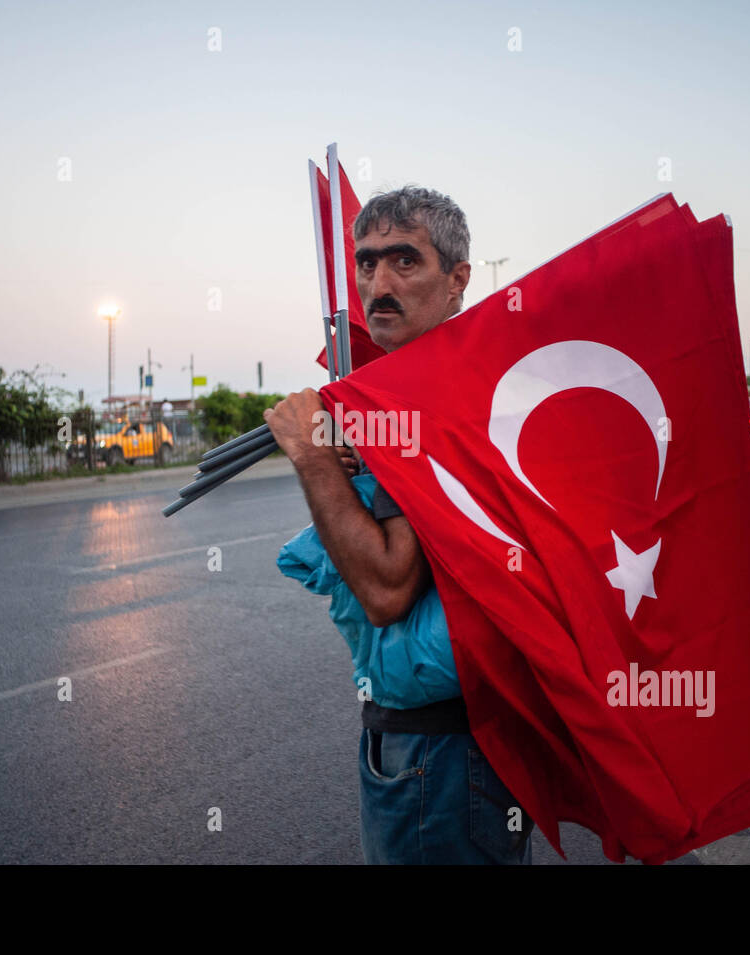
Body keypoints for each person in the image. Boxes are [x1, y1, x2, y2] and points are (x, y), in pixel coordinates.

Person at [264, 186, 534, 864]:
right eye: (366, 262)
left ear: (457, 280)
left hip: (445, 755)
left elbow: (386, 589)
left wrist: (312, 457)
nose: (377, 284)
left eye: (404, 261)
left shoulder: (441, 402)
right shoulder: (420, 398)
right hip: (437, 746)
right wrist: (364, 463)